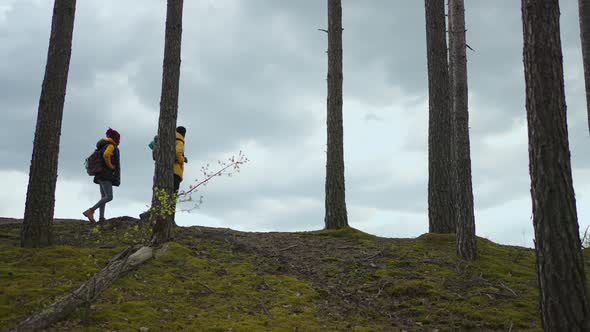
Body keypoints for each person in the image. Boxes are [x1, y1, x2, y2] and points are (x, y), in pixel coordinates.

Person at [83, 128, 121, 223]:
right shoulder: (111, 146)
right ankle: (91, 211)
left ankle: (101, 218)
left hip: (99, 174)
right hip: (106, 174)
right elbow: (106, 155)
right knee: (109, 197)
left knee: (104, 196)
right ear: (115, 138)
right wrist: (111, 166)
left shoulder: (102, 145)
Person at [174, 126, 187, 194]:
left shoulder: (172, 139)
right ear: (184, 134)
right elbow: (177, 153)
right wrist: (182, 159)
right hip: (175, 172)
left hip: (164, 170)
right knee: (172, 196)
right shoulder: (179, 141)